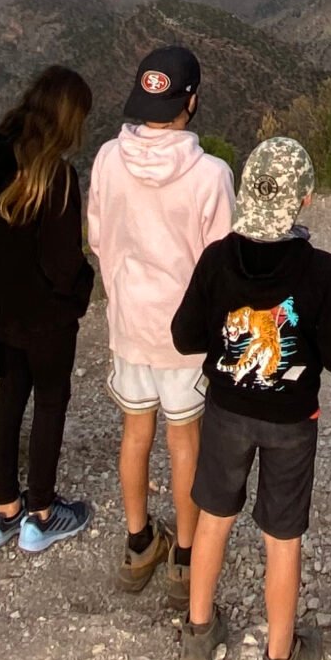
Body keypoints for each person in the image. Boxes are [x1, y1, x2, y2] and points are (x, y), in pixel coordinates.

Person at [170, 138, 331, 660]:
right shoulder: (321, 271)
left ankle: (199, 636)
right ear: (304, 199)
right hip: (291, 422)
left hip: (226, 412)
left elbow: (184, 337)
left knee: (213, 520)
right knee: (283, 538)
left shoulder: (217, 258)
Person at [86, 45, 235, 606]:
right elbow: (220, 263)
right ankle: (186, 557)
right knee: (185, 441)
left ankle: (138, 540)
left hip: (128, 323)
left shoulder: (105, 159)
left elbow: (97, 238)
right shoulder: (211, 175)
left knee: (135, 434)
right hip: (186, 334)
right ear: (190, 102)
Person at [0, 65, 98, 556]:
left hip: (0, 307)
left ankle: (4, 511)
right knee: (52, 401)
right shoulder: (55, 174)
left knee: (10, 393)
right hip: (48, 316)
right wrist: (83, 288)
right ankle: (41, 513)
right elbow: (63, 263)